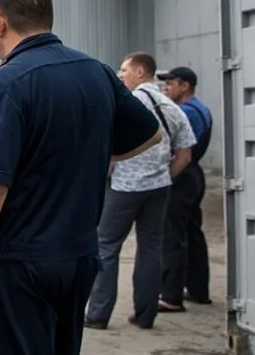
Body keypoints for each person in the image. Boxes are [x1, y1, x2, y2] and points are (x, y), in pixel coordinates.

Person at [0, 0, 162, 355]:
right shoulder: (97, 72)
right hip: (78, 256)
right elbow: (150, 135)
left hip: (21, 261)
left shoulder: (4, 85)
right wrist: (87, 153)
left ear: (0, 22)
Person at [84, 52, 195, 330]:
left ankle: (98, 315)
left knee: (106, 247)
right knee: (151, 248)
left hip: (124, 187)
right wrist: (164, 176)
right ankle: (145, 316)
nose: (120, 75)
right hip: (159, 189)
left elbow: (105, 147)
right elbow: (185, 153)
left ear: (141, 72)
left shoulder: (127, 104)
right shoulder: (171, 106)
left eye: (124, 70)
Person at [159, 66, 213, 307]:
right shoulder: (201, 108)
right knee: (193, 233)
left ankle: (171, 296)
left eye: (172, 82)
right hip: (194, 176)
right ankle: (198, 289)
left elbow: (180, 150)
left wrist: (167, 176)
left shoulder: (185, 113)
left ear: (185, 85)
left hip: (182, 176)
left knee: (174, 236)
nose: (166, 87)